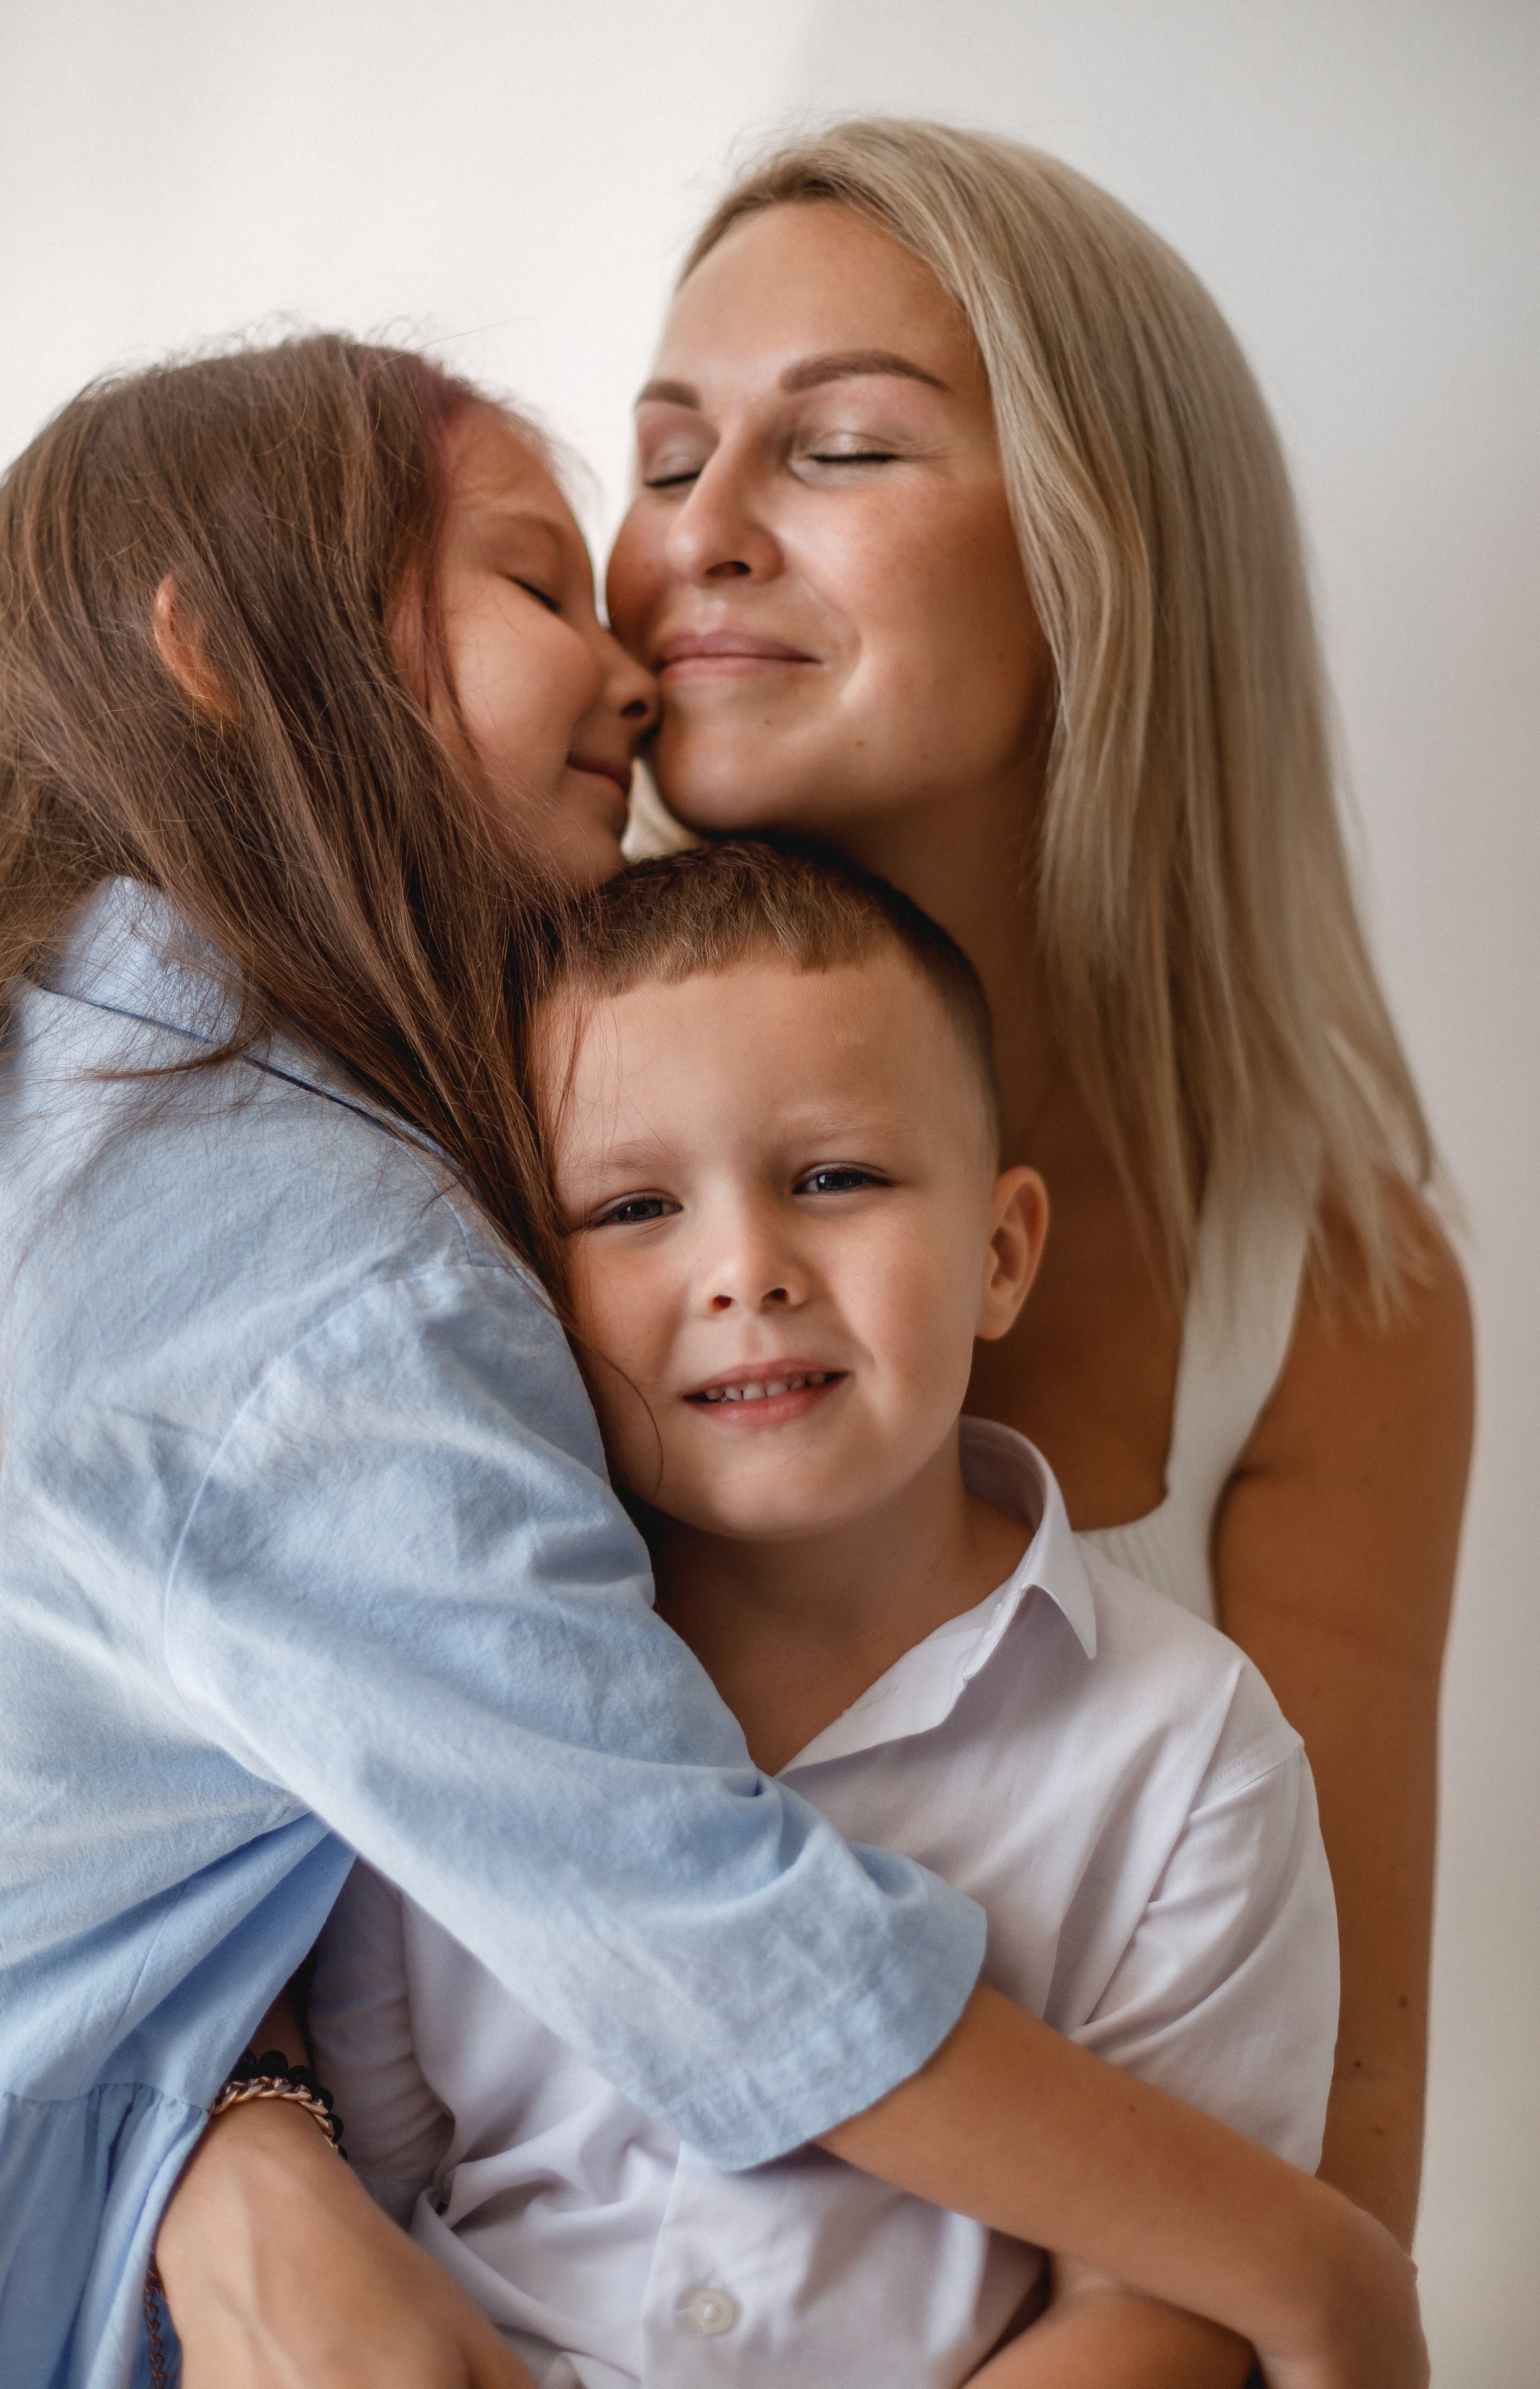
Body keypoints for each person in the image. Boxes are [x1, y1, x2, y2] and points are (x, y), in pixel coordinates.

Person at [0, 334, 1419, 2389]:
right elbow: (680, 1930)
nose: (648, 638)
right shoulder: (329, 1247)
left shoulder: (75, 1089)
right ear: (223, 654)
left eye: (836, 441)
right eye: (562, 573)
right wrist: (1316, 2271)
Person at [606, 118, 1475, 2245]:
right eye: (661, 454)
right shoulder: (464, 1130)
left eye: (841, 451)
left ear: (1109, 556)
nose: (690, 540)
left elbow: (1330, 2135)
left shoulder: (1331, 1288)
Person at [309, 837, 1343, 2389]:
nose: (745, 1270)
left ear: (999, 1255)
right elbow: (371, 2208)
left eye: (834, 1179)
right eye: (632, 1207)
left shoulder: (1185, 1755)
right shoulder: (444, 1697)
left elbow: (1156, 2301)